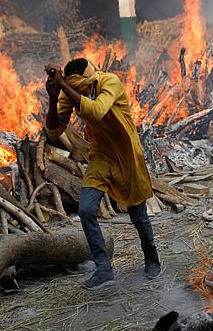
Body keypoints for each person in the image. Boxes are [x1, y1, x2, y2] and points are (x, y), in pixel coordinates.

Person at [44, 58, 162, 290]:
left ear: (90, 79)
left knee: (138, 214)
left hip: (127, 155)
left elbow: (97, 110)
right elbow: (54, 130)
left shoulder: (110, 82)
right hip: (101, 156)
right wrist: (53, 96)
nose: (81, 93)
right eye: (75, 90)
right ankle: (104, 269)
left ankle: (151, 258)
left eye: (83, 88)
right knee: (86, 209)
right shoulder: (71, 91)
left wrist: (65, 87)